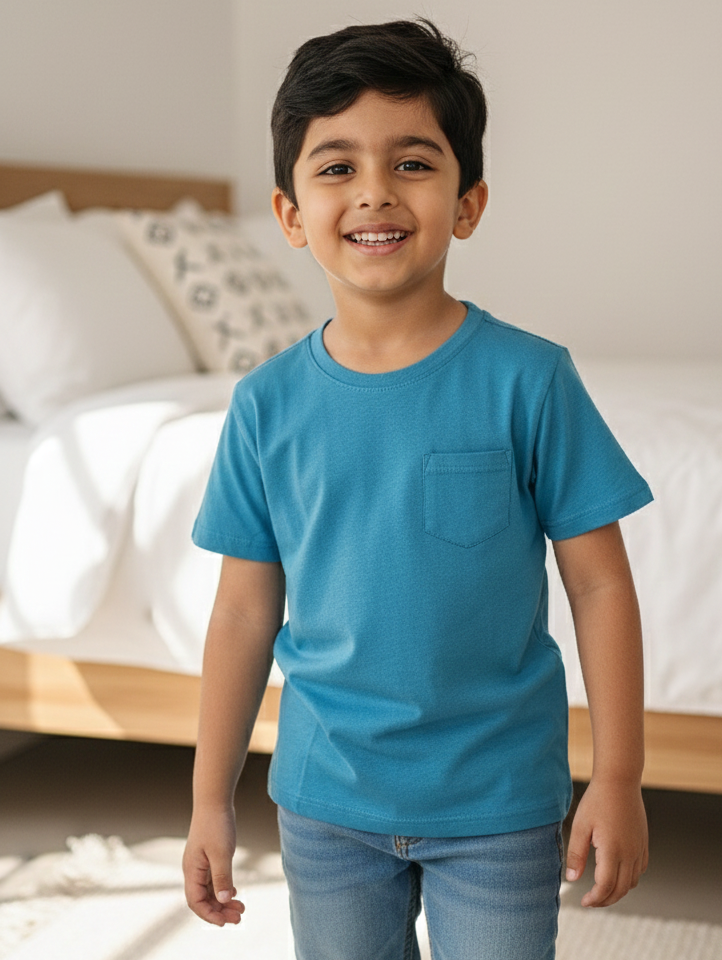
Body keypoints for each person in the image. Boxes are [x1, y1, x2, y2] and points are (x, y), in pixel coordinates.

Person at [182, 18, 652, 960]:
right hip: (325, 800)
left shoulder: (531, 380)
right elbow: (241, 614)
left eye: (412, 163)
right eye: (336, 168)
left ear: (468, 203)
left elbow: (599, 583)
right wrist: (207, 800)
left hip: (500, 801)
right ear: (289, 214)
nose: (374, 194)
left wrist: (619, 776)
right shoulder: (265, 405)